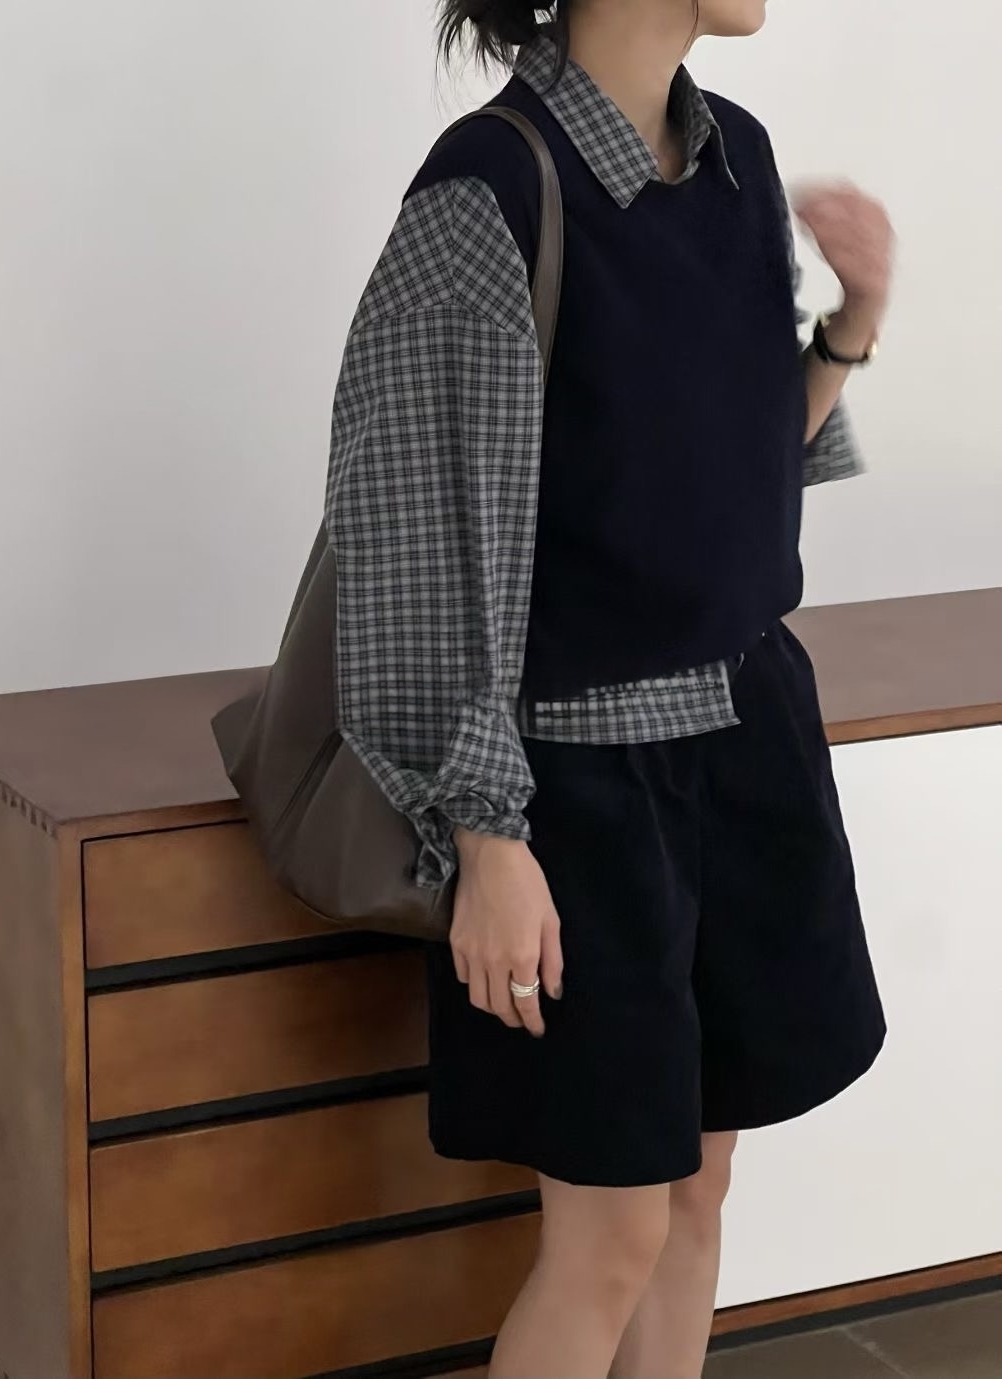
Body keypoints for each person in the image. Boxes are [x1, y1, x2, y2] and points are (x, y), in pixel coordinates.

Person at [324, 2, 894, 1375]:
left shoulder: (736, 156)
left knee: (696, 1196)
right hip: (580, 786)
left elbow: (746, 471)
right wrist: (485, 834)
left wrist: (852, 326)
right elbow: (414, 547)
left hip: (746, 740)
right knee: (610, 1238)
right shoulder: (487, 191)